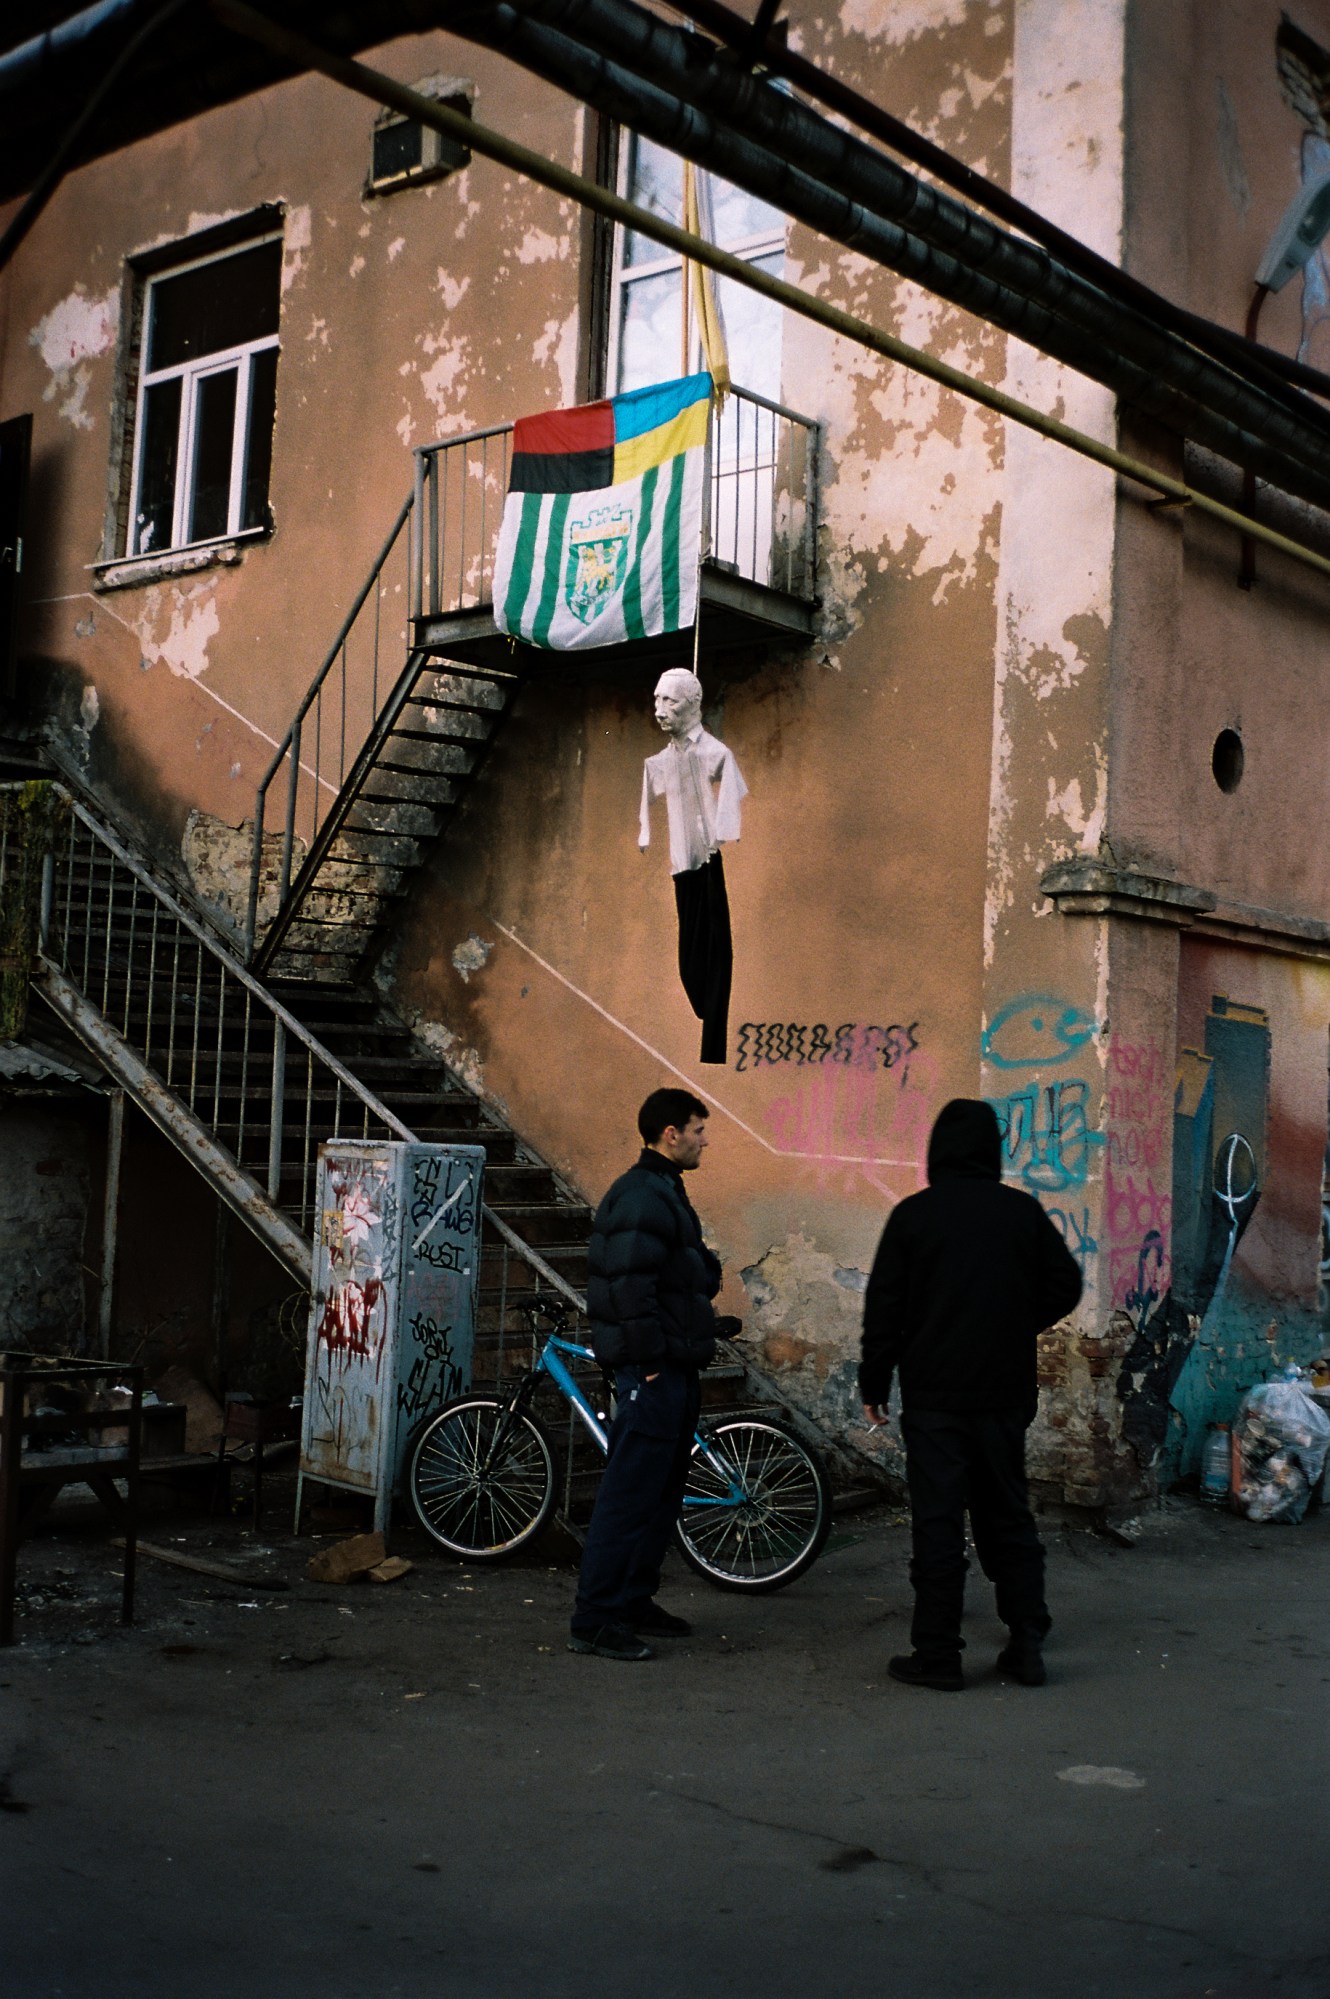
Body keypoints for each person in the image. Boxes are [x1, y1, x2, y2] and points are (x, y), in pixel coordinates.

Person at [860, 1097, 1083, 1691]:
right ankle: (1027, 1642)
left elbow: (883, 1308)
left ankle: (937, 1655)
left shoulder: (914, 1217)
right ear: (992, 1149)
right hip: (1004, 1392)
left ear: (937, 1150)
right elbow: (1067, 1283)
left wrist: (874, 1382)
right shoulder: (1021, 1213)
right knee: (1008, 1512)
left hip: (935, 1396)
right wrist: (1014, 1324)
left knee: (938, 1522)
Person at [569, 1087, 721, 1660]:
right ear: (670, 1134)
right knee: (629, 1495)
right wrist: (651, 1365)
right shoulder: (641, 1196)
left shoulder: (662, 1191)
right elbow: (628, 1290)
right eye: (698, 1130)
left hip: (673, 1368)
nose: (705, 1140)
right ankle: (594, 1618)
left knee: (659, 1494)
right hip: (652, 1373)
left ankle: (632, 1600)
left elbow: (684, 1271)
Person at [639, 668, 747, 1065]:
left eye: (669, 701)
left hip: (707, 862)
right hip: (681, 868)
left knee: (717, 952)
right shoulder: (660, 762)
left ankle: (713, 1047)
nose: (659, 710)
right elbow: (647, 799)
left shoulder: (715, 753)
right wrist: (645, 833)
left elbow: (732, 787)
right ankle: (707, 1016)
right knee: (690, 964)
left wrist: (721, 834)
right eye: (656, 700)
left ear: (693, 705)